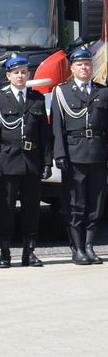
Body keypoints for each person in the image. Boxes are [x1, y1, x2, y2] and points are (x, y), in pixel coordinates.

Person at [0, 54, 52, 268]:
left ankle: (29, 251)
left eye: (24, 72)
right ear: (8, 75)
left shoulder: (37, 99)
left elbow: (45, 134)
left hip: (31, 162)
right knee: (5, 210)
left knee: (31, 210)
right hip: (8, 162)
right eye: (16, 72)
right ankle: (5, 252)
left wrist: (46, 162)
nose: (21, 76)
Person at [50, 47, 107, 266]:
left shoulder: (102, 92)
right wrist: (59, 154)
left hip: (98, 154)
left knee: (97, 203)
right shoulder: (62, 92)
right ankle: (78, 247)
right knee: (76, 204)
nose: (84, 68)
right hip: (73, 156)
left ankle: (91, 246)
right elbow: (57, 126)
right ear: (72, 68)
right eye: (80, 65)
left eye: (88, 64)